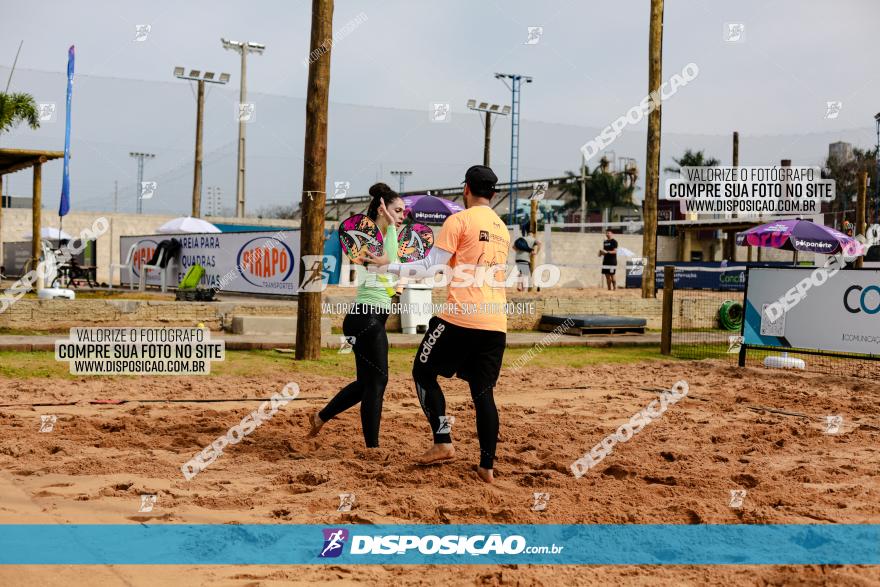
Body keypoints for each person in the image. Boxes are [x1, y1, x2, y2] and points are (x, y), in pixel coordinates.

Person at [366, 165, 510, 484]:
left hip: (460, 317)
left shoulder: (458, 220)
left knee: (422, 371)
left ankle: (443, 440)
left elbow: (431, 269)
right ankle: (486, 466)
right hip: (496, 320)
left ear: (466, 189)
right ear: (494, 194)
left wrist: (388, 266)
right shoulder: (503, 228)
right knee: (483, 393)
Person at [307, 183, 406, 448]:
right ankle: (372, 447)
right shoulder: (365, 237)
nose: (402, 215)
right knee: (378, 382)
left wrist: (396, 285)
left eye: (404, 212)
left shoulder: (385, 239)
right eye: (398, 210)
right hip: (367, 318)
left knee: (367, 383)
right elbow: (389, 258)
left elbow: (389, 268)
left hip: (370, 317)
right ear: (382, 209)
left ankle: (320, 417)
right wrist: (391, 225)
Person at [513, 222, 541, 292]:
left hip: (518, 257)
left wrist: (520, 250)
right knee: (525, 274)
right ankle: (521, 287)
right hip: (525, 258)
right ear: (532, 233)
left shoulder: (522, 238)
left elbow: (513, 247)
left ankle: (520, 287)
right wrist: (535, 252)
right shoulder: (532, 239)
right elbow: (539, 244)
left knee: (521, 272)